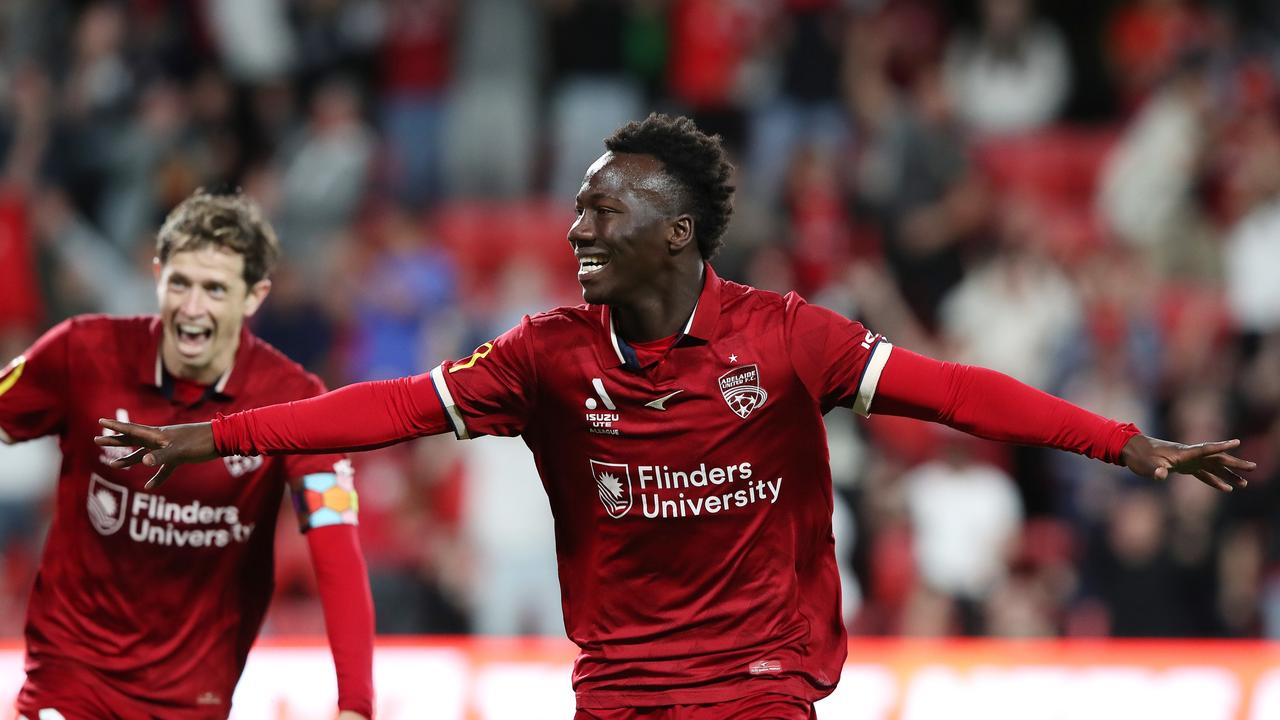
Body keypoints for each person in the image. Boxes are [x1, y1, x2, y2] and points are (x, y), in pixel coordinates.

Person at [97, 115, 1253, 719]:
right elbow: (386, 410)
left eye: (605, 207)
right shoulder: (543, 355)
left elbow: (954, 393)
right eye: (577, 206)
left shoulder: (788, 337)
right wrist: (210, 433)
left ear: (676, 233)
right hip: (617, 694)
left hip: (757, 684)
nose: (578, 227)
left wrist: (1124, 444)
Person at [0, 190, 374, 719]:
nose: (192, 307)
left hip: (191, 701)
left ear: (254, 296)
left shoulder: (296, 400)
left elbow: (336, 545)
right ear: (157, 275)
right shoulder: (80, 352)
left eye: (215, 289)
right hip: (71, 679)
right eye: (181, 283)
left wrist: (355, 704)